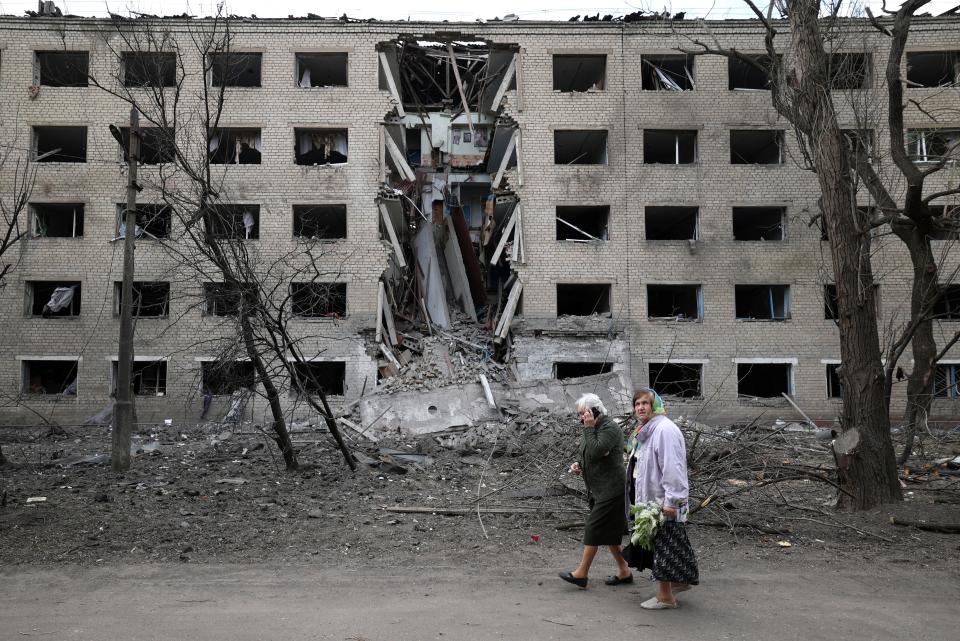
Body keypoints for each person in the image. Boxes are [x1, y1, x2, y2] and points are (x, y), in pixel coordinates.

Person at [625, 388, 699, 609]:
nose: (640, 407)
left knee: (663, 548)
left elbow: (673, 468)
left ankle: (665, 597)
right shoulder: (646, 431)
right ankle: (679, 581)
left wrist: (672, 501)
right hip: (650, 499)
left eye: (645, 403)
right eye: (637, 404)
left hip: (662, 501)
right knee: (669, 545)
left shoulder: (664, 430)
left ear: (656, 405)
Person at [559, 393, 631, 589]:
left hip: (612, 489)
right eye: (580, 414)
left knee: (593, 528)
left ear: (595, 410)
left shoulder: (610, 428)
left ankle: (581, 574)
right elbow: (588, 453)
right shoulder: (590, 428)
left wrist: (589, 429)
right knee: (609, 534)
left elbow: (597, 450)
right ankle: (624, 571)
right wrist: (578, 465)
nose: (581, 418)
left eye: (584, 413)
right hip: (598, 489)